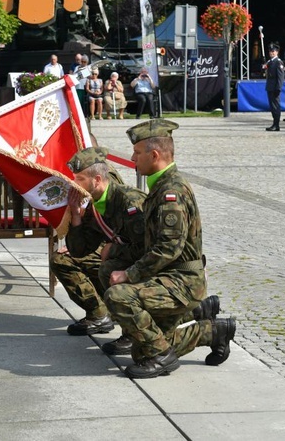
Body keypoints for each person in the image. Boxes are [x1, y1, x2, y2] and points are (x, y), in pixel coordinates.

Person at [104, 119, 235, 379]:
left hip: (182, 281)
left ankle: (162, 357)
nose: (132, 158)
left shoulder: (169, 192)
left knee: (119, 296)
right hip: (171, 277)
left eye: (137, 153)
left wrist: (129, 274)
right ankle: (213, 331)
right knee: (141, 353)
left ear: (154, 155)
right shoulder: (162, 185)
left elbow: (167, 248)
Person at [52, 147, 146, 346]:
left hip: (153, 266)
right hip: (127, 260)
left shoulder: (129, 201)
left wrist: (112, 250)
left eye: (79, 179)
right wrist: (76, 216)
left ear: (96, 180)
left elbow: (149, 248)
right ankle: (108, 318)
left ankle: (135, 332)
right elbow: (80, 250)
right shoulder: (96, 205)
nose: (74, 184)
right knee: (97, 266)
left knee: (110, 269)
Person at [264, 43, 284, 131]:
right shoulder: (270, 61)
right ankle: (274, 123)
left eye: (273, 51)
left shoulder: (278, 62)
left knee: (275, 106)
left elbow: (280, 77)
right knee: (272, 106)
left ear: (277, 52)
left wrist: (278, 88)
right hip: (270, 87)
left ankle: (276, 124)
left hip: (275, 87)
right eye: (270, 51)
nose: (271, 53)